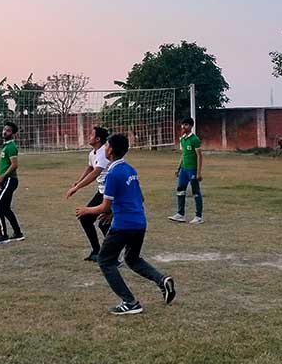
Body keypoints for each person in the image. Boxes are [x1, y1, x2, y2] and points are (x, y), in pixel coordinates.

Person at [76, 134, 176, 315]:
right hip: (140, 223)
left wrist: (86, 210)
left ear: (111, 150)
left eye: (107, 146)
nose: (105, 149)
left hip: (123, 225)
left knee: (105, 261)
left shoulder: (112, 174)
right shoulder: (130, 170)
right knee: (133, 259)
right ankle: (162, 280)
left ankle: (130, 302)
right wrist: (111, 212)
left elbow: (105, 205)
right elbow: (140, 198)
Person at [67, 126, 111, 261]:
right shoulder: (93, 153)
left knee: (102, 223)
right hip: (102, 191)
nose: (88, 136)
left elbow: (95, 172)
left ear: (98, 139)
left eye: (91, 134)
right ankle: (97, 251)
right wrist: (77, 181)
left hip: (110, 192)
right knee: (86, 219)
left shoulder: (104, 152)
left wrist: (77, 188)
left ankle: (112, 254)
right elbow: (90, 167)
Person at [0, 121, 25, 245]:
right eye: (4, 129)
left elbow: (14, 165)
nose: (4, 132)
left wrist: (2, 178)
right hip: (6, 180)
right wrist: (0, 179)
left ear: (13, 134)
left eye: (8, 130)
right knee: (5, 208)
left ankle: (3, 235)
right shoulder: (6, 146)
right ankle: (18, 233)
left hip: (10, 180)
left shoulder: (11, 147)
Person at [168, 117, 204, 224]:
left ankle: (198, 216)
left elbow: (199, 156)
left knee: (196, 192)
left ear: (191, 126)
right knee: (180, 189)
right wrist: (178, 168)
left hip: (192, 169)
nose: (183, 127)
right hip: (184, 169)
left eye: (186, 125)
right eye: (183, 124)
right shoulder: (182, 139)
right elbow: (183, 155)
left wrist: (198, 172)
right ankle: (180, 214)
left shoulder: (194, 139)